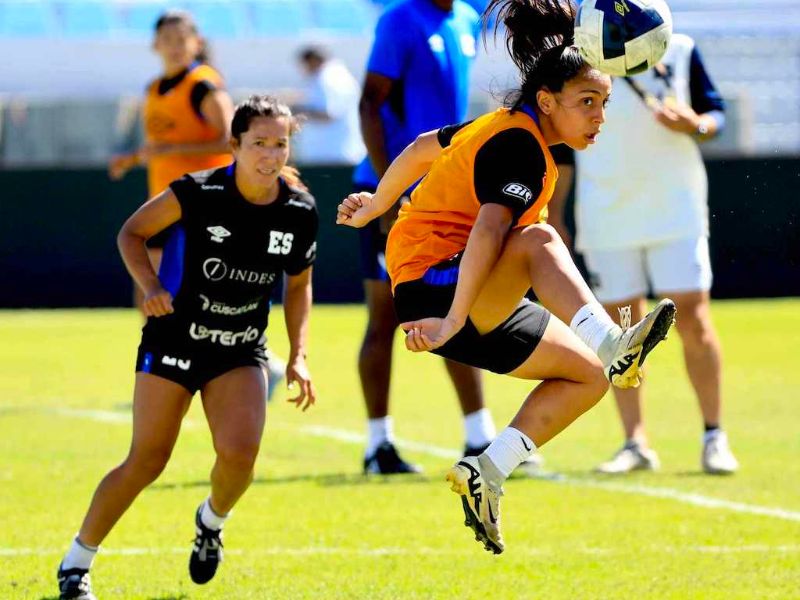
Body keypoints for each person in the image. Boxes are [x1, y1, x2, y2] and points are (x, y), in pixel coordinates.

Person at [337, 0, 676, 554]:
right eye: (587, 102)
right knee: (539, 240)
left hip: (460, 290)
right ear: (547, 101)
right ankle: (614, 343)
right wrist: (452, 321)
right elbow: (488, 233)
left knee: (589, 377)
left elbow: (422, 148)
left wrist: (378, 203)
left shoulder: (505, 127)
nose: (599, 117)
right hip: (435, 283)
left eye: (604, 103)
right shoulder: (520, 146)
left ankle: (488, 470)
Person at [56, 96, 318, 600]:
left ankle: (211, 522)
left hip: (239, 349)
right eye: (259, 143)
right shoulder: (198, 192)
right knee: (147, 459)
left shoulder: (299, 210)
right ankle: (76, 563)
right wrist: (151, 287)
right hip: (175, 340)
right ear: (234, 145)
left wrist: (299, 355)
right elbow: (131, 233)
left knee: (240, 456)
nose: (270, 155)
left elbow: (300, 285)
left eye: (280, 144)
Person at [355, 0, 532, 475]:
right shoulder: (399, 20)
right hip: (392, 192)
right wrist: (386, 193)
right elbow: (369, 103)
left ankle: (478, 435)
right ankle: (378, 447)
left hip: (444, 195)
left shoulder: (467, 19)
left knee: (456, 307)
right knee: (385, 317)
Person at [550, 33, 739, 476]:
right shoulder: (580, 57)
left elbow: (716, 114)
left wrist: (696, 124)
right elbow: (563, 145)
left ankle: (714, 436)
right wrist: (554, 212)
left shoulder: (681, 48)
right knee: (623, 331)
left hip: (676, 210)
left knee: (693, 317)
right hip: (606, 214)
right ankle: (635, 442)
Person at [107, 10, 286, 400]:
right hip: (165, 204)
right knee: (149, 290)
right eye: (167, 39)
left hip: (204, 204)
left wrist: (171, 150)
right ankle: (177, 367)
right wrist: (132, 159)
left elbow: (231, 139)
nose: (174, 46)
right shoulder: (155, 88)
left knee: (191, 295)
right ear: (155, 45)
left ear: (196, 43)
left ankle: (240, 365)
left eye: (181, 38)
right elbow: (160, 147)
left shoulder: (203, 85)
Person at [293, 45, 366, 166]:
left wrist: (298, 112)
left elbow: (328, 114)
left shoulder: (327, 79)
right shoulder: (338, 76)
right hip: (339, 153)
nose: (303, 71)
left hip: (329, 156)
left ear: (312, 61)